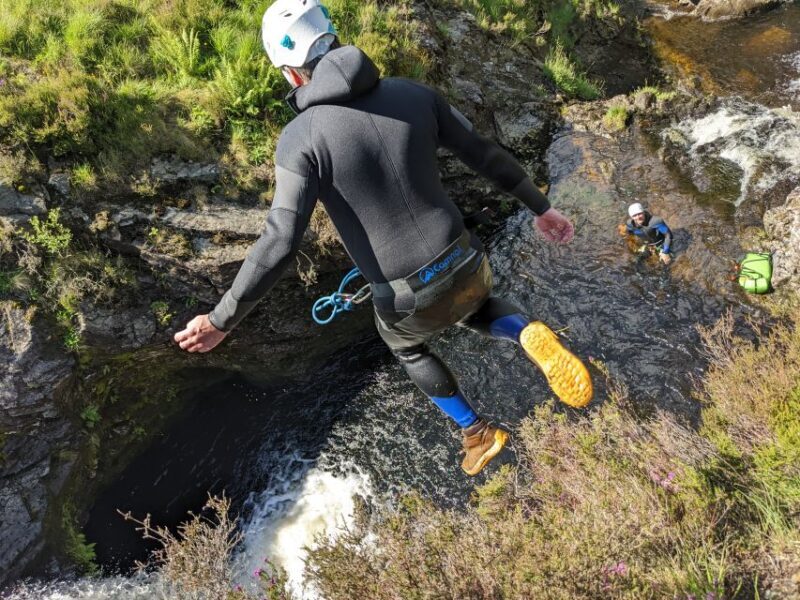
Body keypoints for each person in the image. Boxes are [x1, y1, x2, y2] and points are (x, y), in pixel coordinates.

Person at [174, 0, 592, 476]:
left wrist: (222, 320)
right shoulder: (414, 94)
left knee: (406, 346)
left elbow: (280, 240)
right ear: (334, 38)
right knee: (472, 306)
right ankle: (523, 331)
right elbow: (484, 154)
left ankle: (477, 432)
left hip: (406, 295)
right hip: (466, 257)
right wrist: (542, 208)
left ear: (290, 73)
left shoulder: (300, 139)